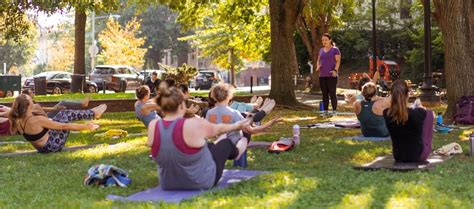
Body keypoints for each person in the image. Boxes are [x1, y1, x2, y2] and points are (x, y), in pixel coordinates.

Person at [147, 87, 252, 190]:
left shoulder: (153, 125)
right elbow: (219, 129)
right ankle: (239, 151)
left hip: (168, 184)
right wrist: (237, 126)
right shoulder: (193, 123)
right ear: (182, 105)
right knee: (226, 143)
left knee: (209, 145)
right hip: (201, 181)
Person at [9, 94, 107, 153]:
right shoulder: (36, 120)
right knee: (65, 114)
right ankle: (93, 113)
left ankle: (92, 112)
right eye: (31, 101)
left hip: (42, 148)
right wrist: (86, 127)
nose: (34, 102)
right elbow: (64, 126)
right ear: (28, 106)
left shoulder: (17, 120)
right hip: (52, 146)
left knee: (61, 114)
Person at [205, 83, 280, 144]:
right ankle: (260, 110)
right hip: (236, 144)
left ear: (213, 96)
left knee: (245, 116)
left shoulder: (209, 113)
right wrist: (271, 122)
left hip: (220, 143)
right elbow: (252, 130)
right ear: (229, 96)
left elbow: (207, 133)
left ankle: (258, 109)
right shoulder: (234, 113)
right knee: (243, 138)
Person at [383, 80, 433, 163]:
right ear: (407, 95)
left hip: (398, 156)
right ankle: (425, 145)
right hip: (418, 155)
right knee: (429, 114)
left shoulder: (386, 113)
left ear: (391, 96)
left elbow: (397, 111)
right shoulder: (418, 113)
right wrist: (419, 105)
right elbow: (423, 112)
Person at [316, 33, 341, 116]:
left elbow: (338, 61)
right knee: (324, 94)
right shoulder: (321, 50)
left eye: (326, 40)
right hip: (322, 75)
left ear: (330, 40)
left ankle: (334, 111)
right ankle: (325, 112)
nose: (324, 41)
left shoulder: (335, 49)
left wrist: (335, 70)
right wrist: (318, 66)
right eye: (323, 40)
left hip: (331, 75)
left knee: (332, 93)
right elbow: (318, 60)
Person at [21, 89, 90, 118]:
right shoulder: (29, 104)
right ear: (27, 95)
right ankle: (82, 104)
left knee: (65, 102)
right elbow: (44, 109)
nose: (33, 93)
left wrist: (56, 108)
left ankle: (81, 102)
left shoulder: (31, 102)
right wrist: (56, 108)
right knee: (64, 102)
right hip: (45, 118)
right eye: (31, 93)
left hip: (45, 116)